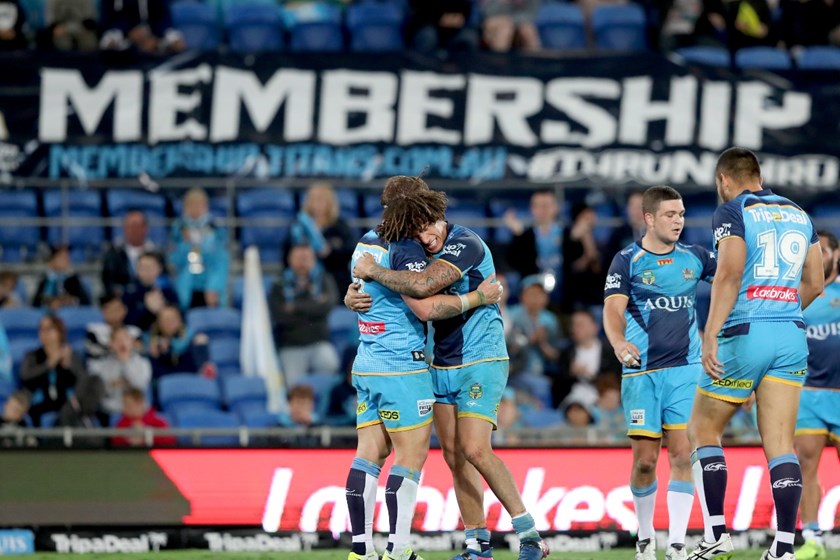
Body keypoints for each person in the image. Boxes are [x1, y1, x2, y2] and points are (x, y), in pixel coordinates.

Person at [352, 186, 549, 560]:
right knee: (455, 456)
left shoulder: (465, 243)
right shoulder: (411, 252)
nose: (428, 238)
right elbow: (412, 296)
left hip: (482, 358)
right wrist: (355, 292)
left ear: (441, 216)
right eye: (419, 233)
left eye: (430, 227)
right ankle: (477, 545)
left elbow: (424, 292)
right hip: (442, 362)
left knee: (475, 449)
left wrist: (373, 271)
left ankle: (530, 537)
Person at [687, 148, 824, 560]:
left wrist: (710, 334)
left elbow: (727, 273)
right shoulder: (801, 214)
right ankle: (783, 548)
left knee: (702, 430)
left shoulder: (732, 211)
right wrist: (781, 309)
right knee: (781, 445)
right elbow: (815, 282)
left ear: (724, 180)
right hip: (791, 335)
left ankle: (716, 536)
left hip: (745, 332)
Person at [603, 185, 717, 560]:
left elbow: (733, 277)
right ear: (648, 218)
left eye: (682, 214)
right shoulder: (627, 260)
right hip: (642, 375)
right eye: (670, 214)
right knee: (646, 462)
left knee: (683, 455)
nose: (679, 221)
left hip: (686, 370)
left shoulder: (696, 257)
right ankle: (645, 538)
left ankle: (678, 545)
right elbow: (613, 311)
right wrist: (619, 343)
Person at [793, 231, 840, 560]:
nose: (816, 257)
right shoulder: (796, 296)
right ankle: (812, 536)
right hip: (808, 394)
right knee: (805, 466)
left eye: (821, 250)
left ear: (836, 254)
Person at [269, 243, 340, 388]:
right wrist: (314, 307)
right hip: (291, 346)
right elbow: (280, 316)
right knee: (293, 387)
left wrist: (295, 307)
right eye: (299, 257)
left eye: (306, 257)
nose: (303, 262)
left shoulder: (323, 280)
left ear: (314, 259)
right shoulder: (279, 284)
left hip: (319, 343)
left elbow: (327, 306)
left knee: (331, 367)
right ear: (290, 259)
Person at [287, 182, 356, 295]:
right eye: (313, 199)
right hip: (304, 280)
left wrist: (330, 252)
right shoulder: (299, 226)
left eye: (321, 200)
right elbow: (287, 253)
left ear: (330, 203)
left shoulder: (340, 227)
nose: (317, 204)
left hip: (336, 280)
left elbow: (351, 253)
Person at [20, 315, 87, 427]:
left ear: (59, 332)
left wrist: (68, 365)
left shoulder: (71, 355)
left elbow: (82, 381)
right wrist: (49, 364)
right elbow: (25, 377)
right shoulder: (32, 356)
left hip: (66, 401)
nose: (44, 333)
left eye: (49, 329)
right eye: (41, 329)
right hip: (40, 403)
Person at [170, 188, 229, 309]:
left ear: (206, 207)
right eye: (191, 205)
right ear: (185, 207)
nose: (195, 209)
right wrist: (186, 244)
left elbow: (221, 261)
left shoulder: (216, 229)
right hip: (186, 287)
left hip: (209, 288)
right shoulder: (178, 230)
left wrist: (214, 287)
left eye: (199, 205)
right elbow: (174, 260)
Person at [504, 190, 563, 303]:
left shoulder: (567, 234)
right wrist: (518, 236)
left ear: (555, 207)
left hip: (564, 295)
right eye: (539, 206)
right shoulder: (524, 235)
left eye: (546, 206)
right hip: (533, 297)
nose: (543, 210)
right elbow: (512, 261)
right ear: (532, 208)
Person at [554, 309, 619, 407]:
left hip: (603, 395)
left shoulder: (610, 351)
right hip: (577, 399)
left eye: (580, 325)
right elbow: (558, 385)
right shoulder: (567, 352)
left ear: (595, 327)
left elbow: (616, 377)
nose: (575, 329)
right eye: (573, 325)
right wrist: (571, 373)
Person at [506, 275, 562, 379]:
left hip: (543, 371)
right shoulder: (512, 315)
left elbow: (556, 355)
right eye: (531, 293)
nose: (536, 298)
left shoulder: (550, 320)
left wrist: (543, 343)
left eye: (540, 294)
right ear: (522, 296)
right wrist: (531, 339)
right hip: (515, 369)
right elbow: (508, 347)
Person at [88, 325, 152, 416]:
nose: (122, 343)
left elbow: (140, 386)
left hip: (138, 409)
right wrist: (120, 383)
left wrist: (125, 362)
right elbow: (104, 391)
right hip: (112, 410)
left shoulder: (143, 363)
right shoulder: (102, 365)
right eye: (117, 340)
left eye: (125, 338)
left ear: (131, 342)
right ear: (111, 344)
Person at [101, 210, 158, 296]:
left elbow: (163, 279)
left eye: (136, 226)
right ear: (124, 228)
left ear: (145, 228)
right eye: (130, 226)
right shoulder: (114, 253)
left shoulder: (156, 253)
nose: (133, 231)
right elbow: (108, 280)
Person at [561, 202, 604, 313]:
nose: (591, 219)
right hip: (574, 294)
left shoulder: (596, 238)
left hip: (594, 294)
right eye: (586, 216)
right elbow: (574, 268)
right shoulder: (567, 237)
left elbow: (597, 268)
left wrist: (587, 240)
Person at [146, 305, 210, 379]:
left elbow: (197, 369)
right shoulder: (154, 344)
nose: (169, 323)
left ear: (179, 320)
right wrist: (155, 356)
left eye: (172, 319)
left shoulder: (193, 339)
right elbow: (158, 376)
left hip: (191, 381)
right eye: (165, 320)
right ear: (159, 323)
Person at [123, 251, 179, 332]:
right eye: (142, 267)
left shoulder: (168, 290)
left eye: (149, 267)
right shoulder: (130, 292)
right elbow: (126, 320)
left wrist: (161, 310)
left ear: (159, 269)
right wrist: (146, 308)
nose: (146, 271)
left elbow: (178, 315)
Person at [100, 0, 184, 53]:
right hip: (123, 44)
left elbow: (164, 20)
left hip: (153, 40)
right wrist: (128, 34)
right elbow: (107, 23)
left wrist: (172, 38)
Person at [32, 244, 91, 310]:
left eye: (67, 257)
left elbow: (85, 303)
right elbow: (35, 304)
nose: (67, 261)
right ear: (52, 261)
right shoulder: (45, 280)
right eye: (62, 258)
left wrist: (67, 302)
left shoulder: (73, 279)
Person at [85, 293, 142, 361]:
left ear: (124, 310)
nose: (117, 314)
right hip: (102, 368)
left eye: (119, 309)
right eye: (112, 310)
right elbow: (92, 351)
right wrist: (114, 347)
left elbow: (141, 349)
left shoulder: (134, 331)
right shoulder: (94, 331)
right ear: (104, 313)